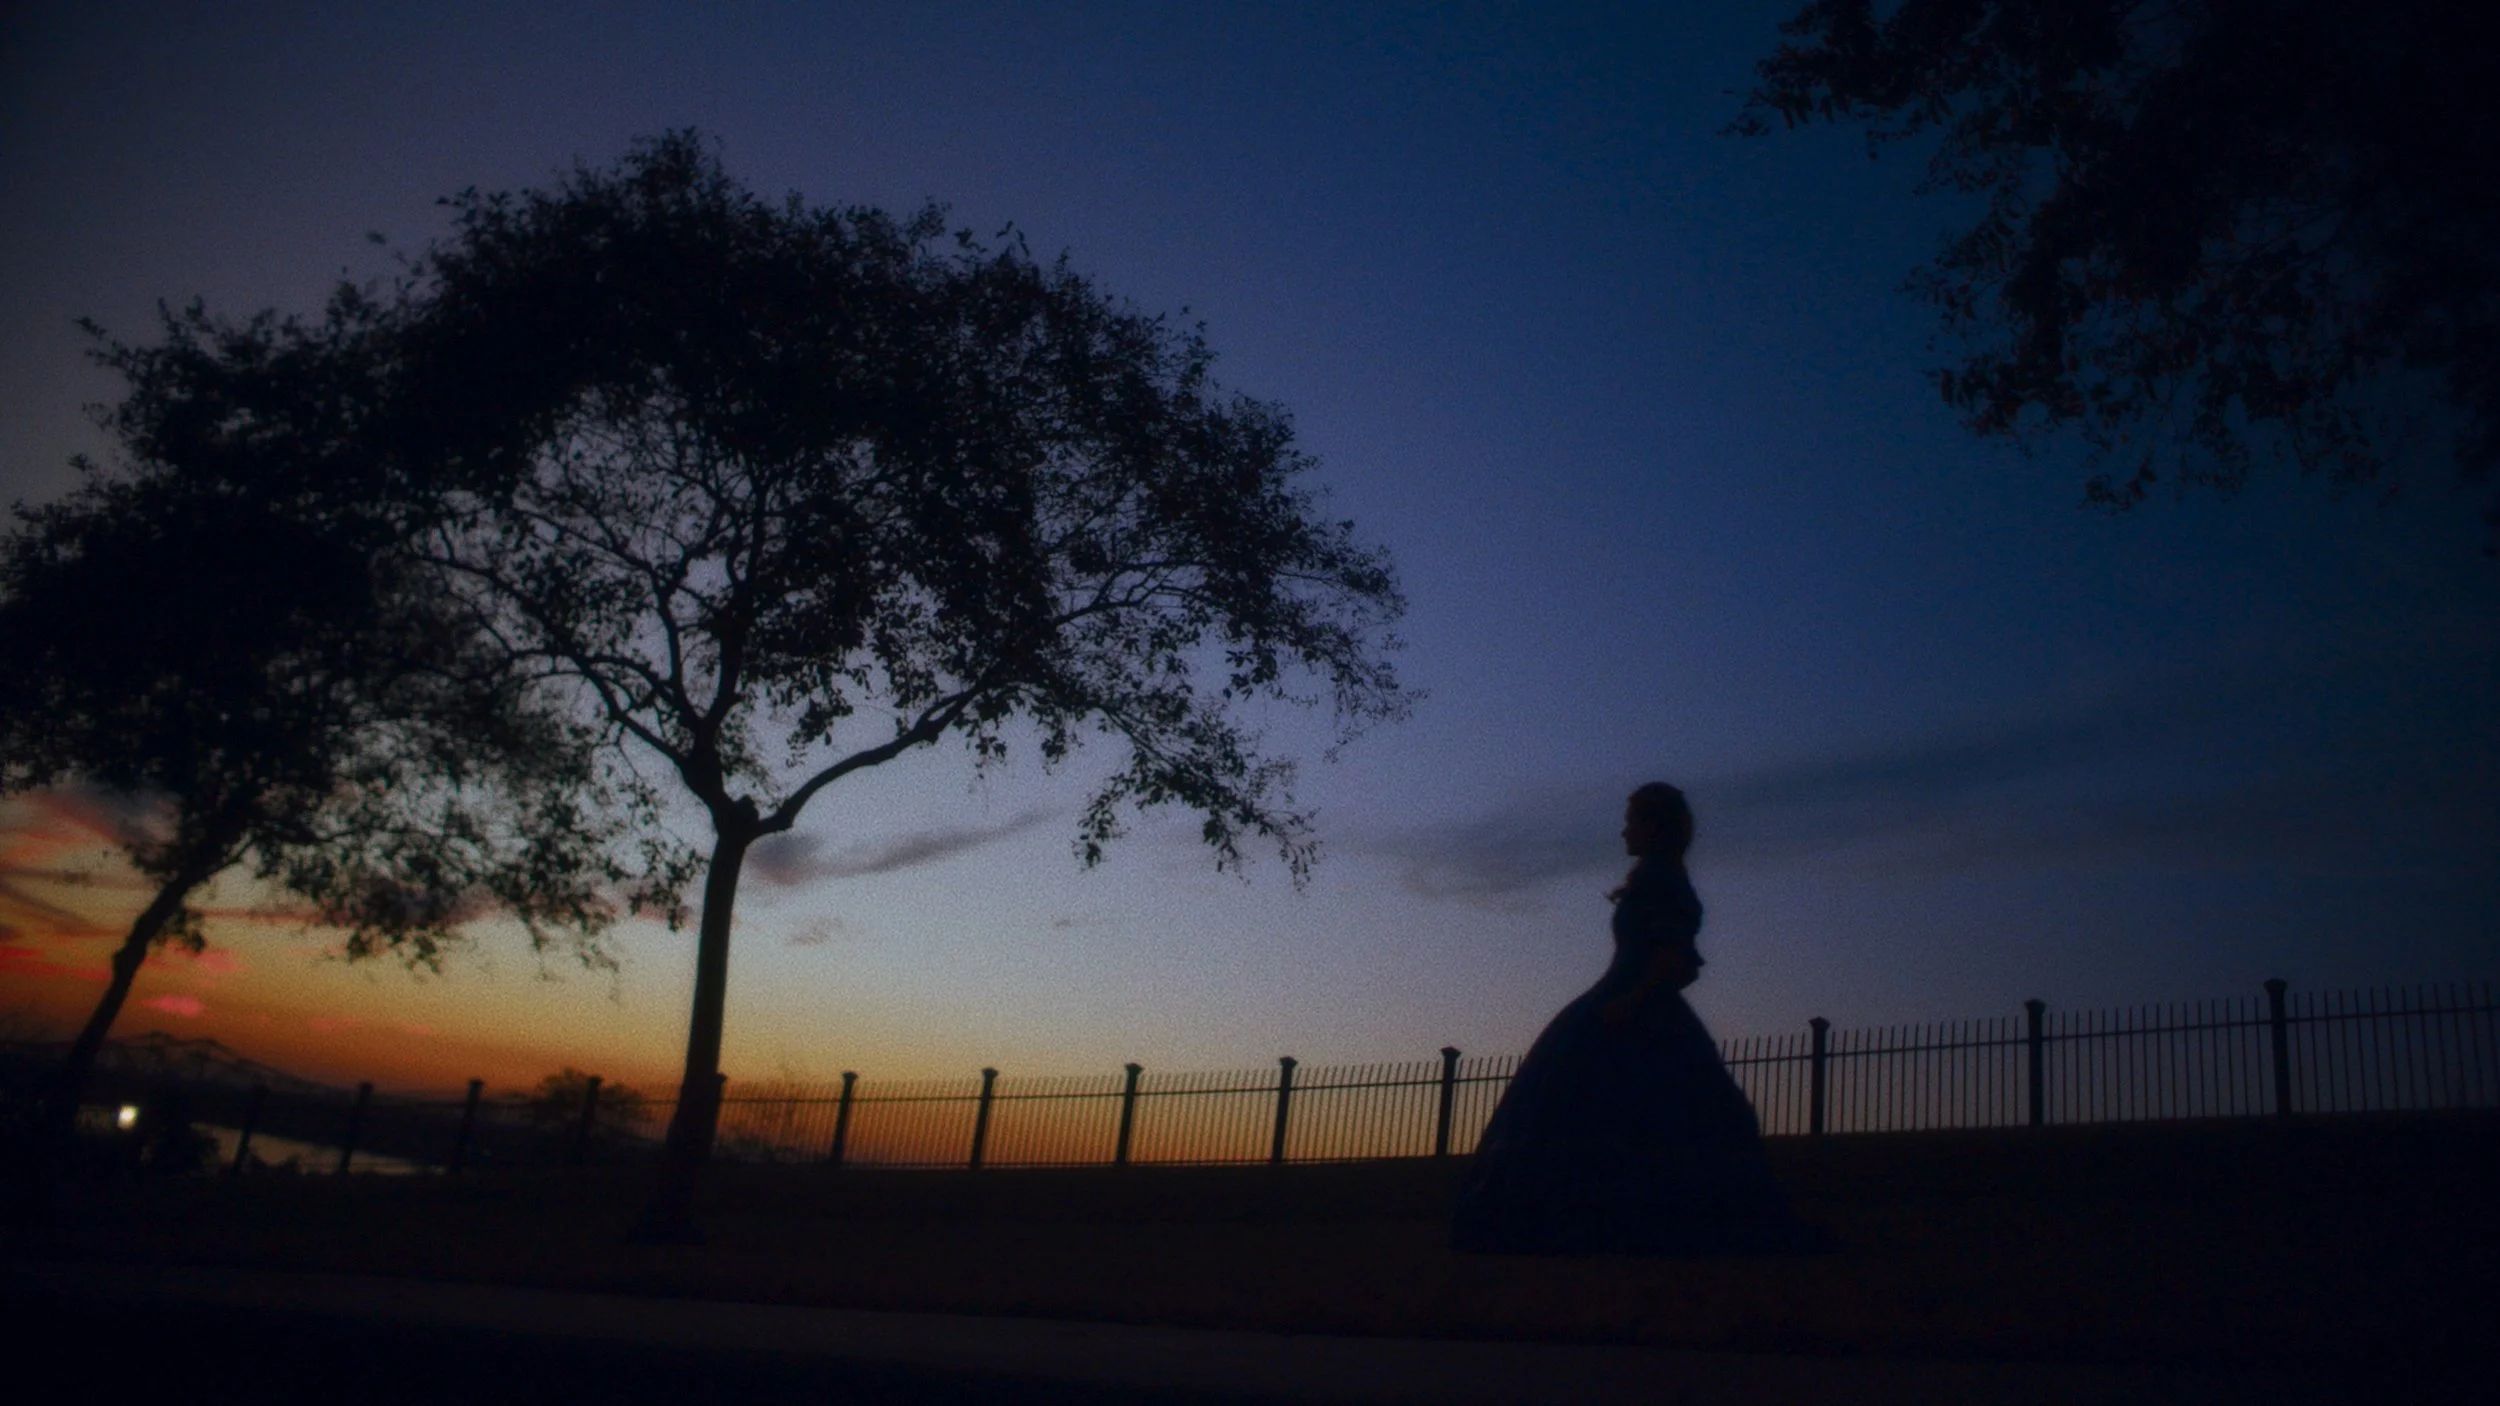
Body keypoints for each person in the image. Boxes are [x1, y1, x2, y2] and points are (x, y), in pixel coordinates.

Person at [1451, 782, 1827, 1255]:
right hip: (1623, 1001)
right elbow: (1680, 964)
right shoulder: (1658, 877)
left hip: (1625, 1004)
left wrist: (1632, 1001)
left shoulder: (1660, 880)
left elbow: (1675, 960)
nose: (1623, 830)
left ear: (1653, 826)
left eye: (1630, 820)